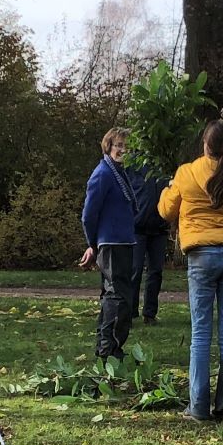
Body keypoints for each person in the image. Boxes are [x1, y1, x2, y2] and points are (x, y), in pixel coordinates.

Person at [159, 120, 223, 421]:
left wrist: (166, 191)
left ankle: (198, 406)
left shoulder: (187, 173)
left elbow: (166, 211)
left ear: (206, 144)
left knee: (200, 332)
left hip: (200, 257)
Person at [77, 126, 143, 358]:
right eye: (119, 146)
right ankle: (108, 349)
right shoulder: (103, 173)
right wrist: (92, 244)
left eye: (127, 147)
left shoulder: (119, 172)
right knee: (117, 296)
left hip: (123, 240)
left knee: (119, 294)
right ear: (109, 146)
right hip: (112, 243)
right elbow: (88, 214)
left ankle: (112, 347)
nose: (123, 150)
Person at [130, 158, 170, 324]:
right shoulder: (133, 165)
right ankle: (130, 312)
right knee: (135, 270)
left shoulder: (164, 165)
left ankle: (150, 313)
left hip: (159, 227)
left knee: (156, 271)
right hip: (136, 227)